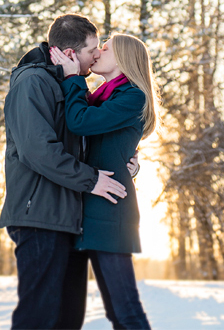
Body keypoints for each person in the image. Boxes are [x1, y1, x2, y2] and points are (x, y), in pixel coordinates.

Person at [0, 13, 131, 330]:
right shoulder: (33, 83)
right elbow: (37, 150)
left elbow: (85, 138)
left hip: (67, 217)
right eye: (92, 49)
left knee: (68, 319)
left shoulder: (69, 85)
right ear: (71, 53)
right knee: (39, 317)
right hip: (39, 216)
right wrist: (91, 180)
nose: (97, 55)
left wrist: (127, 157)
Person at [50, 33, 160, 329]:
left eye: (106, 48)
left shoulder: (132, 96)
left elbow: (80, 122)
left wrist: (73, 78)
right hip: (86, 209)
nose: (97, 53)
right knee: (74, 313)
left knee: (125, 311)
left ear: (123, 58)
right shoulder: (107, 95)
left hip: (110, 211)